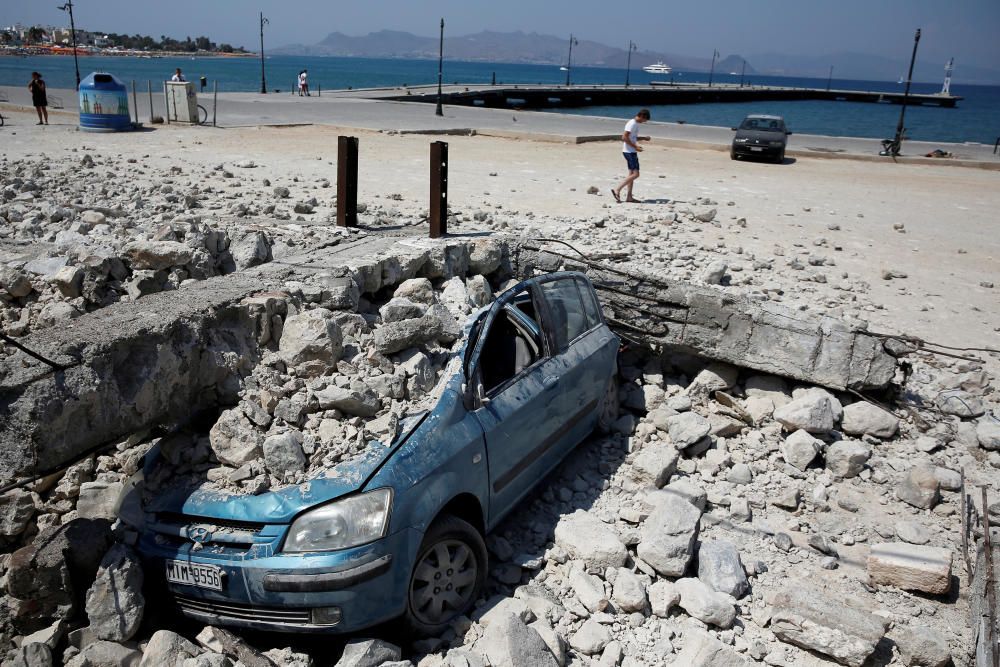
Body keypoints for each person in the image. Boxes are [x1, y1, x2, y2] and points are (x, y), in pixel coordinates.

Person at [611, 108, 650, 203]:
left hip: (630, 151)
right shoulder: (632, 123)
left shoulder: (635, 124)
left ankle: (629, 197)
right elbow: (624, 137)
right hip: (629, 152)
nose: (644, 122)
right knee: (636, 174)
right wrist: (635, 147)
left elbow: (632, 137)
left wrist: (643, 138)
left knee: (631, 174)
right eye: (645, 119)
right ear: (641, 116)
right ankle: (617, 189)